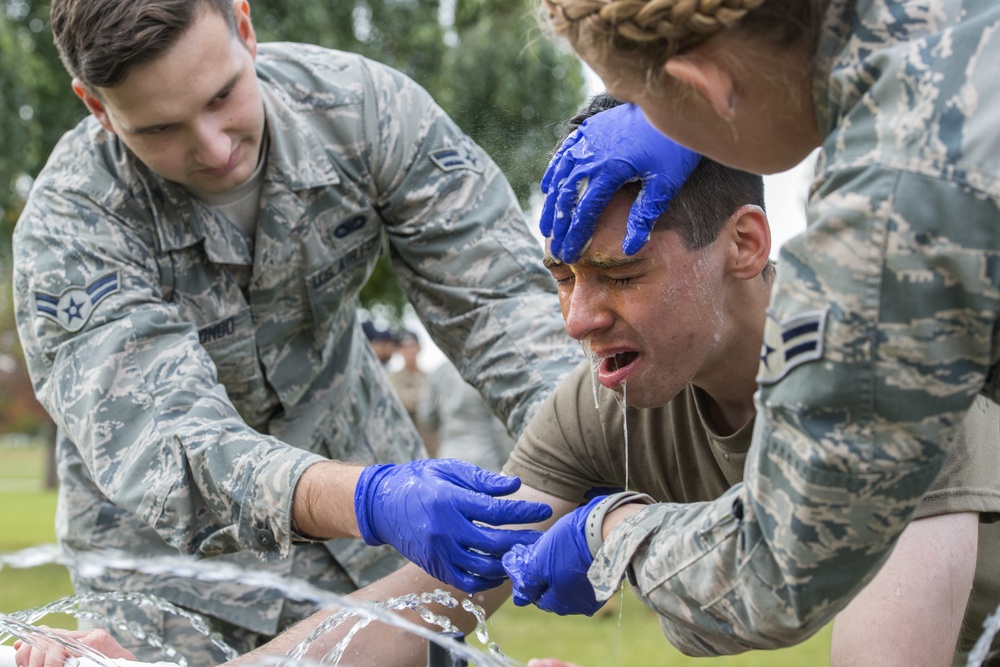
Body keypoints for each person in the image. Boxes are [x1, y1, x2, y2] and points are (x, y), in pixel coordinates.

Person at [19, 94, 1000, 667]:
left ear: (745, 245)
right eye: (562, 279)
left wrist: (617, 539)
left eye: (618, 275)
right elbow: (413, 607)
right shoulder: (603, 401)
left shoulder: (877, 366)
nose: (575, 320)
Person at [11, 0, 582, 662]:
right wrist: (366, 497)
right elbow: (171, 445)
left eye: (223, 95)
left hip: (383, 549)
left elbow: (503, 305)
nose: (215, 147)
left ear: (245, 28)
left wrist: (577, 456)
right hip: (175, 587)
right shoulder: (73, 223)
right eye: (162, 127)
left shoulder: (362, 113)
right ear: (97, 107)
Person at [529, 0, 1000, 655]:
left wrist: (608, 534)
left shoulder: (889, 211)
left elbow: (782, 563)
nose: (578, 318)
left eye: (638, 101)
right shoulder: (947, 46)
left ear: (706, 83)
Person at [418, 361, 516, 473]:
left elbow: (427, 419)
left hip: (449, 457)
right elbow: (499, 426)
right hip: (486, 458)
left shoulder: (438, 374)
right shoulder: (487, 372)